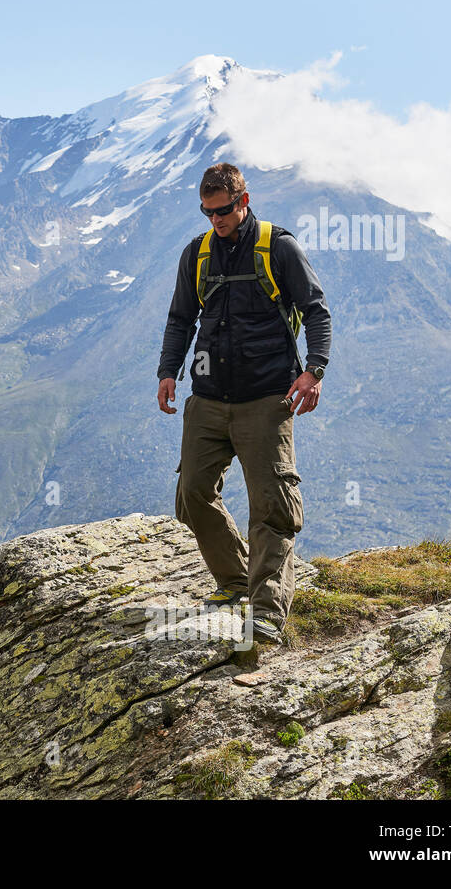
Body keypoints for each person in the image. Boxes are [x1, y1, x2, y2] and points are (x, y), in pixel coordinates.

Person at [156, 163, 332, 646]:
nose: (217, 220)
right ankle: (235, 582)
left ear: (244, 200)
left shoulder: (279, 247)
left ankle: (268, 610)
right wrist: (167, 371)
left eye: (225, 210)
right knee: (192, 494)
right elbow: (180, 318)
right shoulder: (196, 254)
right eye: (208, 212)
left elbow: (316, 309)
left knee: (272, 506)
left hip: (266, 400)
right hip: (208, 400)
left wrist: (314, 371)